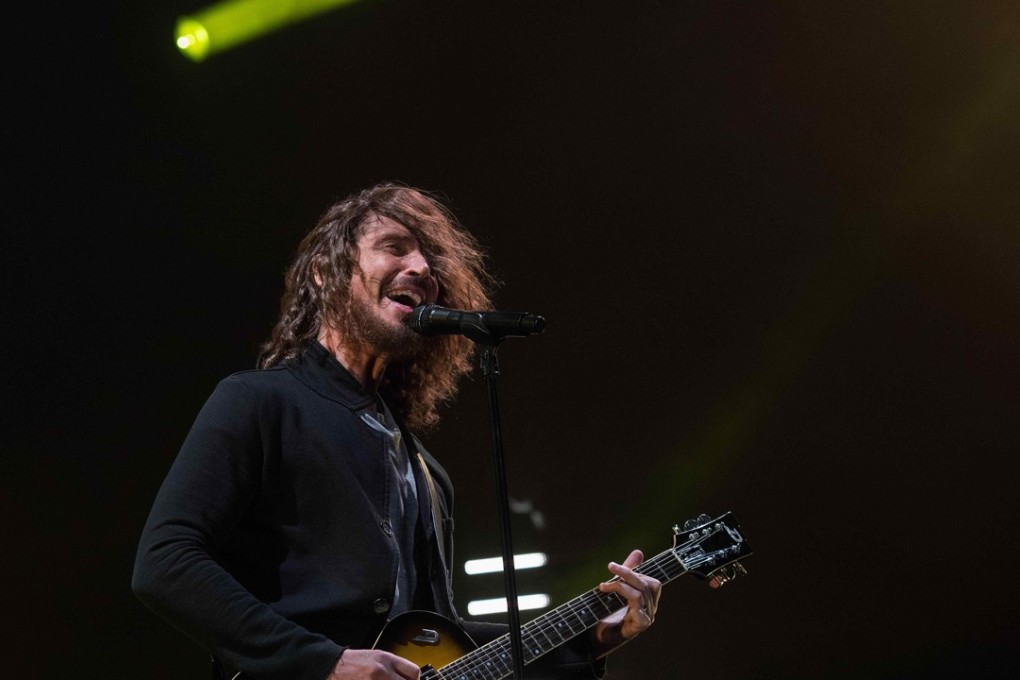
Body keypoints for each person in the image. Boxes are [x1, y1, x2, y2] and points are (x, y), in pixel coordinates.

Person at [132, 184, 661, 680]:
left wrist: (592, 637)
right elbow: (166, 563)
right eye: (395, 247)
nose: (423, 268)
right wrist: (324, 663)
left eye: (430, 262)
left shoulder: (427, 473)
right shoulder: (260, 402)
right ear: (325, 271)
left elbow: (439, 643)